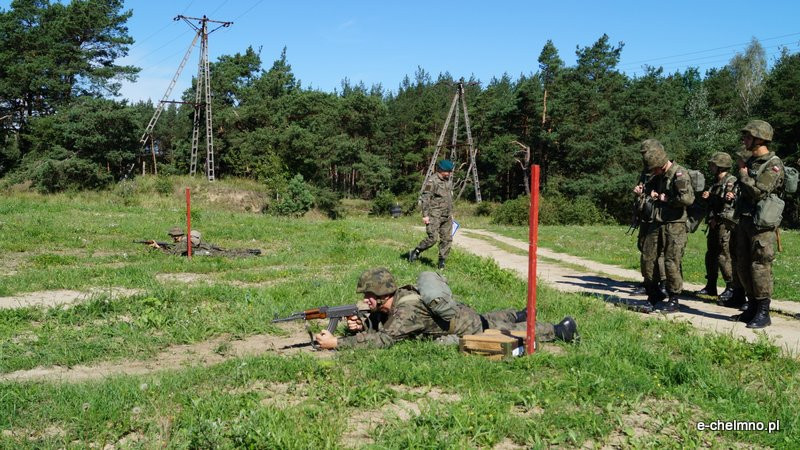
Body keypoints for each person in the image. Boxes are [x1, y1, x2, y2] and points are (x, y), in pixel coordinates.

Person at [313, 267, 578, 350]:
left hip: (465, 326)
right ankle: (521, 312)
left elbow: (385, 339)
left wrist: (337, 343)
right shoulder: (400, 298)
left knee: (501, 330)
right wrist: (364, 324)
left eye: (369, 296)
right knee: (488, 318)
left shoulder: (407, 310)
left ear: (383, 295)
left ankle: (559, 330)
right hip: (461, 313)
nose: (366, 301)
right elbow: (383, 322)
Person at [729, 120, 784, 328]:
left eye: (748, 136)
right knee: (742, 265)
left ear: (760, 138)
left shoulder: (773, 164)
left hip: (762, 224)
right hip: (744, 220)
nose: (744, 140)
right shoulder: (751, 161)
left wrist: (743, 174)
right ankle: (751, 307)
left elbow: (759, 191)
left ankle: (763, 311)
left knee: (760, 266)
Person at [633, 142, 695, 312]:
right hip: (657, 221)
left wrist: (666, 198)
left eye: (654, 169)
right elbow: (649, 194)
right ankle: (653, 295)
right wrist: (643, 192)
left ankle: (674, 299)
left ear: (661, 164)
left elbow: (688, 199)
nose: (652, 172)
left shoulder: (679, 174)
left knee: (671, 261)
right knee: (648, 258)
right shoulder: (658, 175)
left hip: (674, 225)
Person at [695, 152, 738, 300]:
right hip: (714, 223)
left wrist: (713, 197)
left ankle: (730, 286)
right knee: (711, 254)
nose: (710, 167)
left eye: (713, 164)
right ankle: (711, 285)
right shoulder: (716, 182)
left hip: (725, 224)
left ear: (720, 166)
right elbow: (714, 204)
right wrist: (707, 198)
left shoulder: (731, 181)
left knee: (724, 255)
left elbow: (730, 204)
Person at [632, 140, 668, 298]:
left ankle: (663, 283)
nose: (644, 156)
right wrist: (640, 193)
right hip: (647, 213)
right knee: (644, 248)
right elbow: (645, 189)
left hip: (659, 216)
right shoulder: (645, 171)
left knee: (659, 252)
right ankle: (649, 282)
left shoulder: (662, 171)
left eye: (645, 153)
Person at [409, 159, 455, 269]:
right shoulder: (432, 181)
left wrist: (451, 213)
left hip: (447, 216)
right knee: (433, 238)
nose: (449, 174)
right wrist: (425, 215)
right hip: (435, 215)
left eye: (450, 172)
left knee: (447, 239)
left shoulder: (448, 181)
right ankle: (416, 250)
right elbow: (425, 198)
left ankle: (441, 262)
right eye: (447, 171)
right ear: (441, 170)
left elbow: (448, 198)